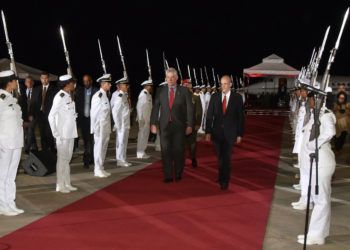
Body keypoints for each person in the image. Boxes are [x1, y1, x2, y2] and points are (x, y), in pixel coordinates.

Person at [297, 91, 336, 246]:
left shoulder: (325, 115)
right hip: (315, 162)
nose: (309, 101)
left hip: (323, 162)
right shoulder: (316, 114)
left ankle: (316, 235)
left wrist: (315, 144)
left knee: (321, 200)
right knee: (318, 199)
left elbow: (330, 132)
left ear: (318, 100)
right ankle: (316, 233)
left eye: (311, 99)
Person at [150, 68, 194, 183]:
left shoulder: (184, 91)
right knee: (165, 151)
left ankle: (178, 172)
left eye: (172, 77)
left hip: (179, 127)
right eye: (168, 77)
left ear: (177, 78)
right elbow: (155, 108)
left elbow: (190, 109)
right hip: (164, 126)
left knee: (179, 150)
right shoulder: (160, 91)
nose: (170, 79)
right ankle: (168, 175)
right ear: (165, 78)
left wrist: (190, 125)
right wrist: (153, 123)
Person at [205, 75, 244, 190]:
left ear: (230, 84)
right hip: (216, 133)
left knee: (226, 158)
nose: (223, 86)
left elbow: (240, 117)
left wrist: (240, 134)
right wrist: (208, 131)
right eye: (221, 84)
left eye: (226, 84)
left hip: (230, 133)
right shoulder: (215, 97)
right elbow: (209, 116)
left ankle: (225, 180)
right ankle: (222, 175)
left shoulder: (237, 98)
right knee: (220, 157)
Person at [0, 70, 24, 216]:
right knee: (3, 174)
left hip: (16, 141)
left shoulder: (12, 99)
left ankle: (10, 202)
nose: (16, 82)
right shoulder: (1, 99)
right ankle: (2, 205)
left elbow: (18, 119)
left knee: (11, 174)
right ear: (9, 82)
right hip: (5, 142)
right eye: (15, 80)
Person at [48, 75, 78, 193]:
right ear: (67, 84)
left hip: (70, 133)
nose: (74, 85)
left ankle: (67, 182)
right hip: (62, 134)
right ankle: (60, 185)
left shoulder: (68, 95)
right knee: (62, 159)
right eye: (72, 83)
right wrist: (56, 134)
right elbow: (51, 116)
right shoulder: (59, 97)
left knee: (67, 159)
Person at [90, 74, 112, 178]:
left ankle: (101, 167)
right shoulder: (97, 96)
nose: (110, 85)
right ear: (103, 84)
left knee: (104, 147)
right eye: (108, 83)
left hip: (105, 126)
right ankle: (97, 169)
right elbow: (93, 114)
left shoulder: (105, 96)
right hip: (99, 127)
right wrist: (94, 128)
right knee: (98, 147)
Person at [30, 72, 58, 153]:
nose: (44, 80)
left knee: (49, 133)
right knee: (42, 134)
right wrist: (31, 113)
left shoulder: (54, 89)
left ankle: (52, 150)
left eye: (46, 78)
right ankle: (44, 151)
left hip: (50, 114)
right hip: (40, 114)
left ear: (48, 79)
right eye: (42, 78)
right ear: (40, 79)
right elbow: (33, 102)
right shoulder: (36, 89)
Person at [75, 74, 98, 168]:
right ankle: (87, 158)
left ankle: (90, 158)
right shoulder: (80, 91)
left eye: (88, 81)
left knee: (92, 140)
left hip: (92, 120)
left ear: (91, 81)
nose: (86, 83)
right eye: (84, 81)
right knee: (86, 141)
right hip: (83, 120)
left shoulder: (96, 91)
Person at [111, 77, 132, 167]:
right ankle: (120, 160)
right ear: (121, 86)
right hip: (122, 124)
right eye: (125, 85)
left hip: (125, 123)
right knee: (121, 142)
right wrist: (118, 124)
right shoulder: (119, 96)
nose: (127, 86)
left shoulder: (124, 95)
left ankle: (122, 159)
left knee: (124, 142)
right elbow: (115, 111)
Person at [183, 79, 202, 168]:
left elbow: (199, 111)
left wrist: (198, 123)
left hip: (192, 124)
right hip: (181, 124)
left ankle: (193, 158)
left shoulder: (195, 97)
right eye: (185, 85)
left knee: (192, 142)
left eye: (188, 84)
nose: (187, 86)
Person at [136, 79, 153, 159]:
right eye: (150, 86)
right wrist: (140, 118)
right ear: (146, 86)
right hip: (143, 119)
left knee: (145, 135)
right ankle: (140, 152)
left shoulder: (148, 95)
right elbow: (139, 107)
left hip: (147, 118)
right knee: (142, 135)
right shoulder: (143, 94)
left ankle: (142, 151)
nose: (151, 87)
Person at [22, 76, 38, 153]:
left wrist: (33, 114)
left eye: (31, 81)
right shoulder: (22, 92)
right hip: (24, 116)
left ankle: (27, 148)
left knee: (30, 129)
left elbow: (37, 104)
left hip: (33, 116)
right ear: (25, 83)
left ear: (33, 82)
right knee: (26, 131)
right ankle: (35, 147)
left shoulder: (37, 91)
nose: (29, 83)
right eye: (27, 81)